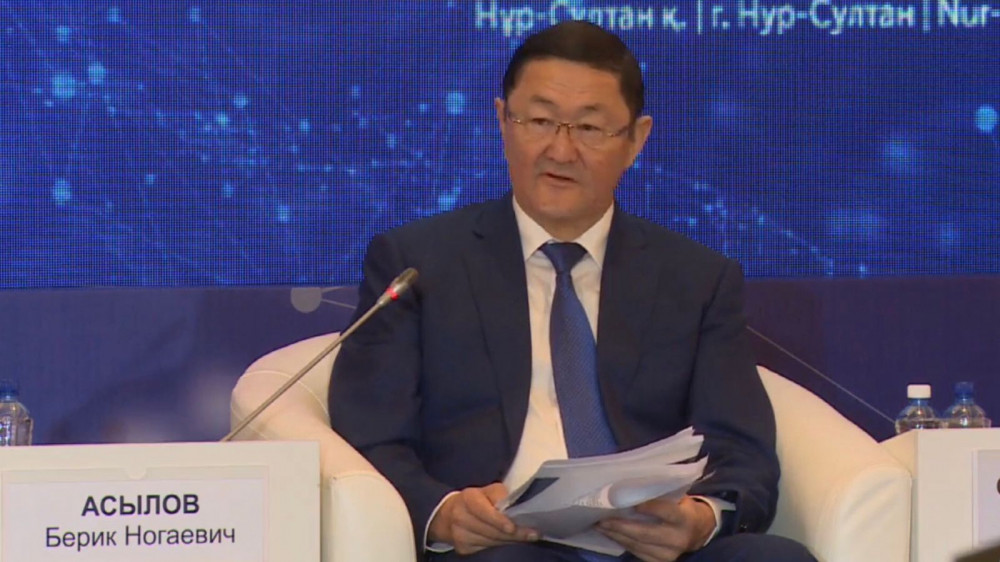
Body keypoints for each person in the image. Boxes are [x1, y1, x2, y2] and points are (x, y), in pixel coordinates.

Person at [330, 20, 815, 562]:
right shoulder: (417, 263)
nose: (560, 151)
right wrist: (443, 511)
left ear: (636, 141)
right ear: (502, 121)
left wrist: (699, 520)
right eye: (539, 121)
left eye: (589, 128)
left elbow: (742, 451)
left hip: (648, 547)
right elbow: (370, 435)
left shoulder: (697, 279)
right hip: (500, 545)